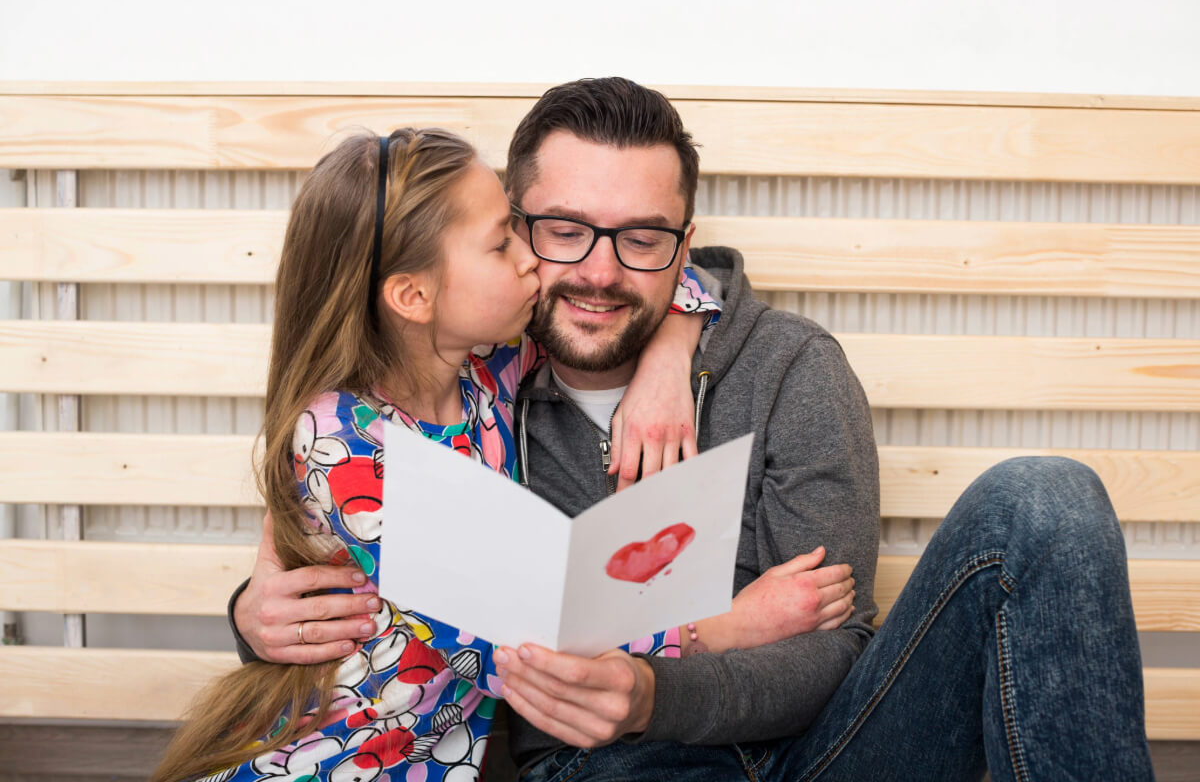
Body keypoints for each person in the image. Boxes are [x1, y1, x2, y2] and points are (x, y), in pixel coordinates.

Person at [231, 80, 1154, 780]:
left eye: (642, 239)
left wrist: (677, 347)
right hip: (609, 766)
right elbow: (381, 542)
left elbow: (837, 638)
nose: (600, 273)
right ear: (513, 228)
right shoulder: (485, 369)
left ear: (682, 243)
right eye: (560, 231)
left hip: (827, 749)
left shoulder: (790, 368)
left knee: (1046, 498)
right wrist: (251, 612)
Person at [155, 126, 854, 782]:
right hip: (330, 760)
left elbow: (678, 278)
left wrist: (668, 359)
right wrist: (732, 626)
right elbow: (526, 651)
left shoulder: (484, 372)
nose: (531, 261)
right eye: (502, 243)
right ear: (413, 295)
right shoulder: (348, 446)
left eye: (521, 233)